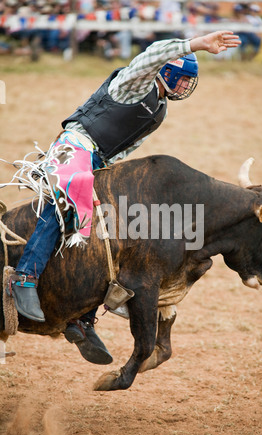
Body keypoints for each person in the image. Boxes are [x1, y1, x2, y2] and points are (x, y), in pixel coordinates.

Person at [8, 31, 241, 365]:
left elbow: (124, 149)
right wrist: (197, 43)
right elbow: (151, 54)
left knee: (107, 231)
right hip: (75, 146)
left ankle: (81, 318)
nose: (186, 86)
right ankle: (25, 279)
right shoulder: (134, 84)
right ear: (168, 72)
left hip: (98, 163)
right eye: (183, 79)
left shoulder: (158, 109)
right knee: (65, 206)